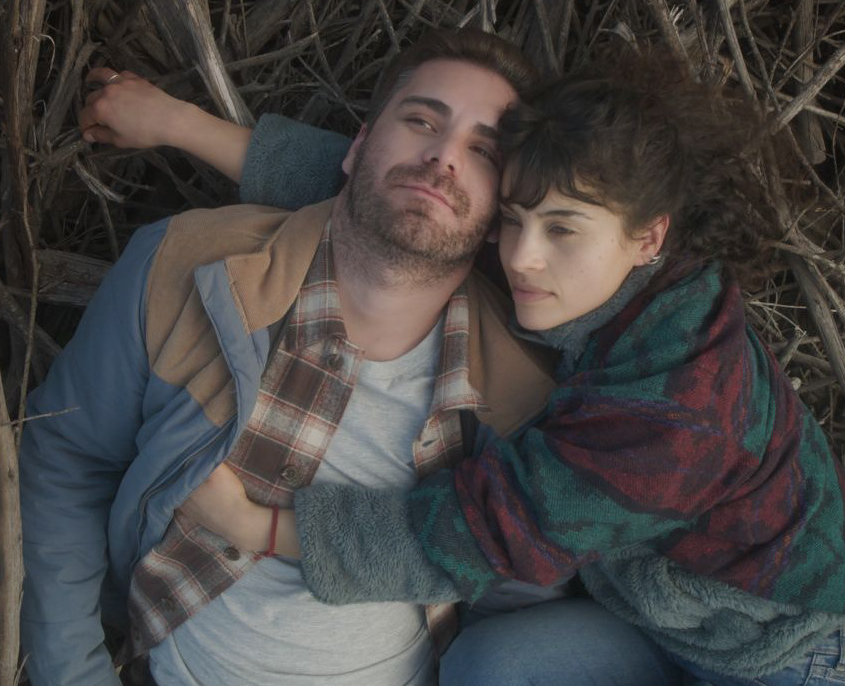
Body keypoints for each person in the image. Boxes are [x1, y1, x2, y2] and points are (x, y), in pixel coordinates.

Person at [174, 52, 845, 685]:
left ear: (650, 237)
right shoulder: (592, 276)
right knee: (489, 665)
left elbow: (487, 533)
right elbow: (397, 204)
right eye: (514, 220)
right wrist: (176, 124)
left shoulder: (679, 411)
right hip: (664, 620)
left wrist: (256, 528)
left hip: (781, 657)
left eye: (561, 228)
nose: (521, 256)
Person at [21, 28, 556, 686]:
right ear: (356, 147)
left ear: (503, 214)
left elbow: (517, 590)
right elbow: (66, 460)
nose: (443, 157)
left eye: (483, 150)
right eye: (421, 120)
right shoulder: (184, 268)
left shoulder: (520, 393)